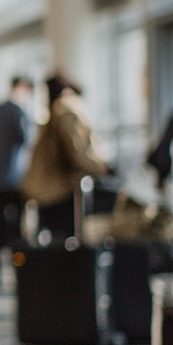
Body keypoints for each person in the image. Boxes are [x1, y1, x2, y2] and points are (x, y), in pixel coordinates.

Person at [21, 74, 109, 241]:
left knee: (51, 239)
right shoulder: (66, 112)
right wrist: (102, 168)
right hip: (60, 188)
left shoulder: (52, 114)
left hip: (46, 188)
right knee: (64, 239)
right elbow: (77, 152)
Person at [0, 77, 33, 246]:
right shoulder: (18, 113)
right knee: (16, 224)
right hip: (14, 179)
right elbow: (25, 141)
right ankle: (16, 260)